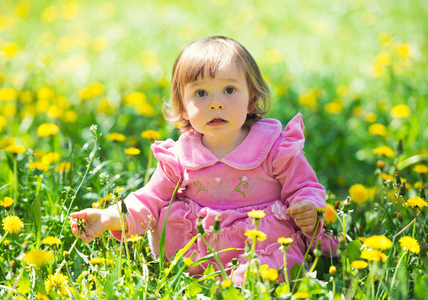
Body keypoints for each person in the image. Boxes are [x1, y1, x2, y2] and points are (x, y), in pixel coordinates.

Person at [70, 36, 336, 284]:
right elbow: (150, 199)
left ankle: (250, 278)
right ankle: (210, 278)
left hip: (263, 240)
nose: (215, 103)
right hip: (201, 245)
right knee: (169, 220)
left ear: (251, 99)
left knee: (278, 263)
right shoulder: (180, 156)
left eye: (229, 90)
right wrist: (107, 218)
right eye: (201, 94)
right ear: (183, 106)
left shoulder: (273, 148)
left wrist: (307, 207)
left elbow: (305, 186)